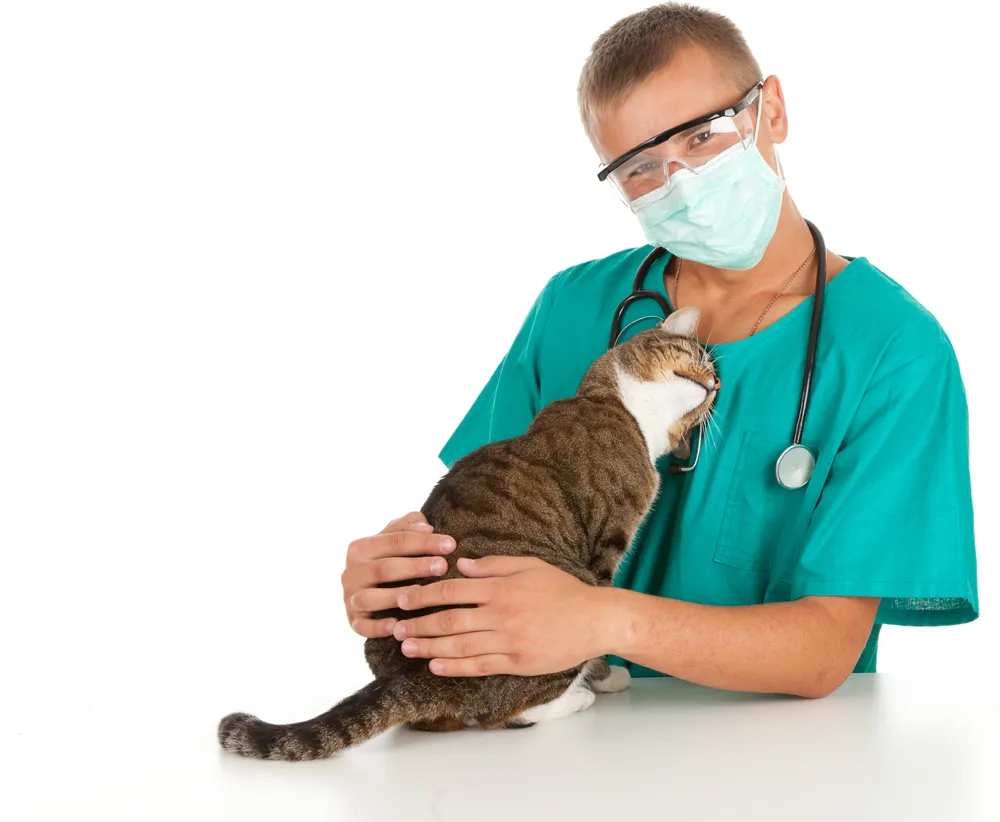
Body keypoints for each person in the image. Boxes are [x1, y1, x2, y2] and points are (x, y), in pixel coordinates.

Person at [339, 3, 978, 698]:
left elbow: (824, 650)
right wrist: (406, 577)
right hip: (549, 744)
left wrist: (605, 622)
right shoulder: (574, 307)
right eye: (641, 168)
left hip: (783, 761)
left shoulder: (895, 351)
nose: (682, 183)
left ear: (774, 111)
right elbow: (485, 531)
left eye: (704, 136)